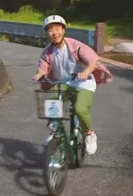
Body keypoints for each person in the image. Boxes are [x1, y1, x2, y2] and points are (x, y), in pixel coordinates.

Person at [31, 15, 113, 155]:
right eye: (50, 30)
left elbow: (93, 61)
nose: (54, 33)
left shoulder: (75, 46)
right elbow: (43, 68)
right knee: (52, 100)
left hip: (83, 83)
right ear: (47, 33)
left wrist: (86, 71)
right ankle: (55, 131)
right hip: (64, 82)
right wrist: (39, 74)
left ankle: (89, 133)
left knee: (80, 109)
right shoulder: (47, 52)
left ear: (63, 30)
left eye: (57, 29)